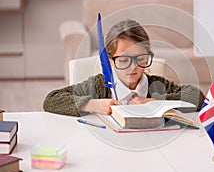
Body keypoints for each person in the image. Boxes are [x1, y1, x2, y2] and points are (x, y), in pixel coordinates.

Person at [43, 19, 205, 117]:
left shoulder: (157, 86)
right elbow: (51, 100)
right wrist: (93, 104)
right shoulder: (99, 86)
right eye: (124, 60)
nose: (133, 67)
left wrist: (156, 102)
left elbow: (197, 97)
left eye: (140, 59)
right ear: (110, 60)